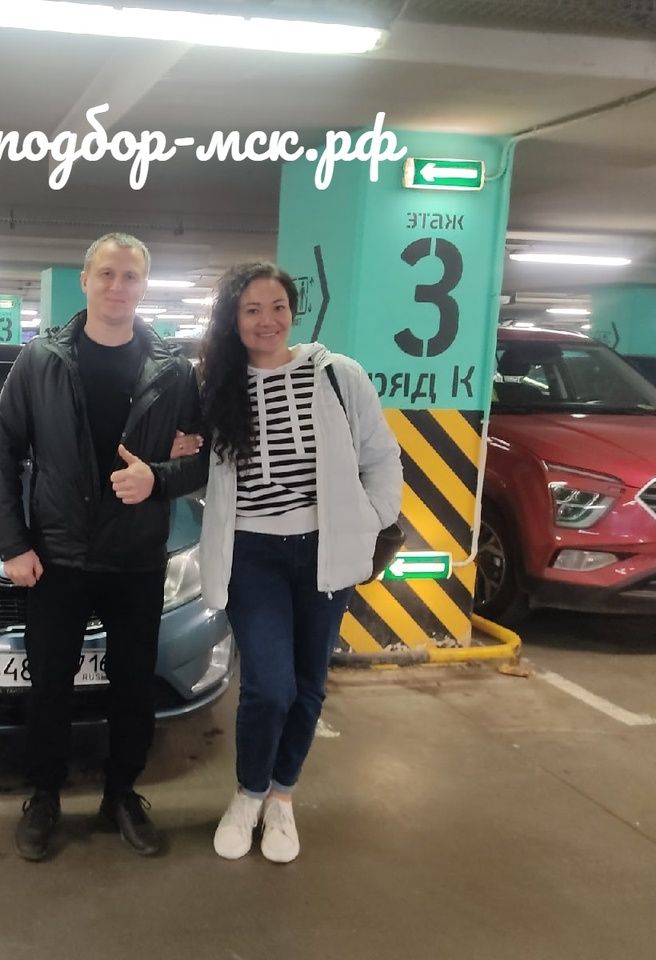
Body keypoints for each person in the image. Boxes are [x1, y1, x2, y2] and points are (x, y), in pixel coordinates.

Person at [0, 232, 207, 862]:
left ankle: (121, 795)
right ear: (84, 281)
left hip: (137, 558)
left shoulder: (173, 370)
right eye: (106, 274)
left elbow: (205, 461)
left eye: (130, 276)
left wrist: (157, 478)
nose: (117, 286)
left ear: (144, 286)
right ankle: (44, 797)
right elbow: (3, 453)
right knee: (49, 684)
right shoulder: (41, 360)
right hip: (58, 557)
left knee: (133, 686)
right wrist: (13, 544)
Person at [195, 261, 402, 862]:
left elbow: (380, 456)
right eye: (252, 309)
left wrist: (369, 519)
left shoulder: (337, 375)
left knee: (309, 683)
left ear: (293, 312)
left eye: (278, 307)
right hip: (251, 553)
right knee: (268, 686)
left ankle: (281, 797)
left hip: (323, 550)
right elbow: (193, 464)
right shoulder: (215, 385)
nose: (267, 320)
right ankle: (248, 793)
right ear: (233, 318)